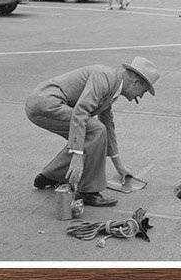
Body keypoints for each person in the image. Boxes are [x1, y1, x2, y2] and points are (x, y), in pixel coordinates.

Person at [25, 57, 160, 207]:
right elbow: (81, 113)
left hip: (43, 105)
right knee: (95, 130)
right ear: (136, 83)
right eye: (144, 91)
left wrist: (119, 165)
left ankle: (50, 176)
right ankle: (88, 192)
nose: (140, 96)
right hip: (45, 104)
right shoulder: (104, 78)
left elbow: (108, 125)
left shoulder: (113, 85)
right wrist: (77, 155)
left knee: (93, 133)